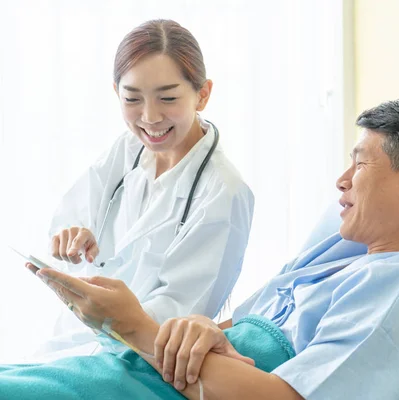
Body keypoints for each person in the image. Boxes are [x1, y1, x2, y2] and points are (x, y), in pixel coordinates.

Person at [9, 97, 399, 400]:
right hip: (166, 367)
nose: (342, 180)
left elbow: (284, 398)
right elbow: (236, 328)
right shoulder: (345, 252)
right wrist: (197, 329)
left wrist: (130, 325)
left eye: (360, 164)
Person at [28, 19, 255, 362]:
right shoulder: (127, 149)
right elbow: (70, 223)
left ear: (203, 94)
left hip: (136, 363)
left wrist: (116, 311)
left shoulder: (225, 193)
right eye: (132, 98)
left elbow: (177, 319)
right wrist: (72, 242)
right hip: (73, 342)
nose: (149, 118)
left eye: (168, 98)